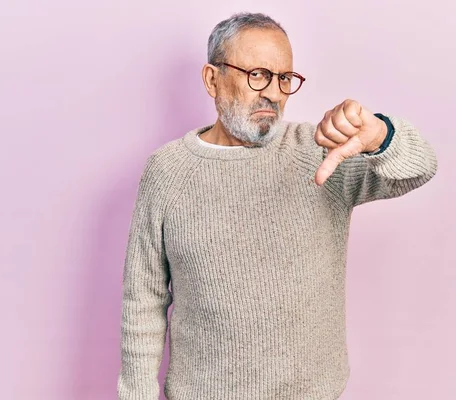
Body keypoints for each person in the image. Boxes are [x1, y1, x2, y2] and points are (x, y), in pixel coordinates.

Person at [117, 12, 437, 400]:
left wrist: (380, 136)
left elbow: (419, 168)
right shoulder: (168, 170)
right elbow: (144, 299)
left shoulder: (319, 151)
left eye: (284, 78)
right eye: (257, 74)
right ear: (212, 79)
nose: (272, 91)